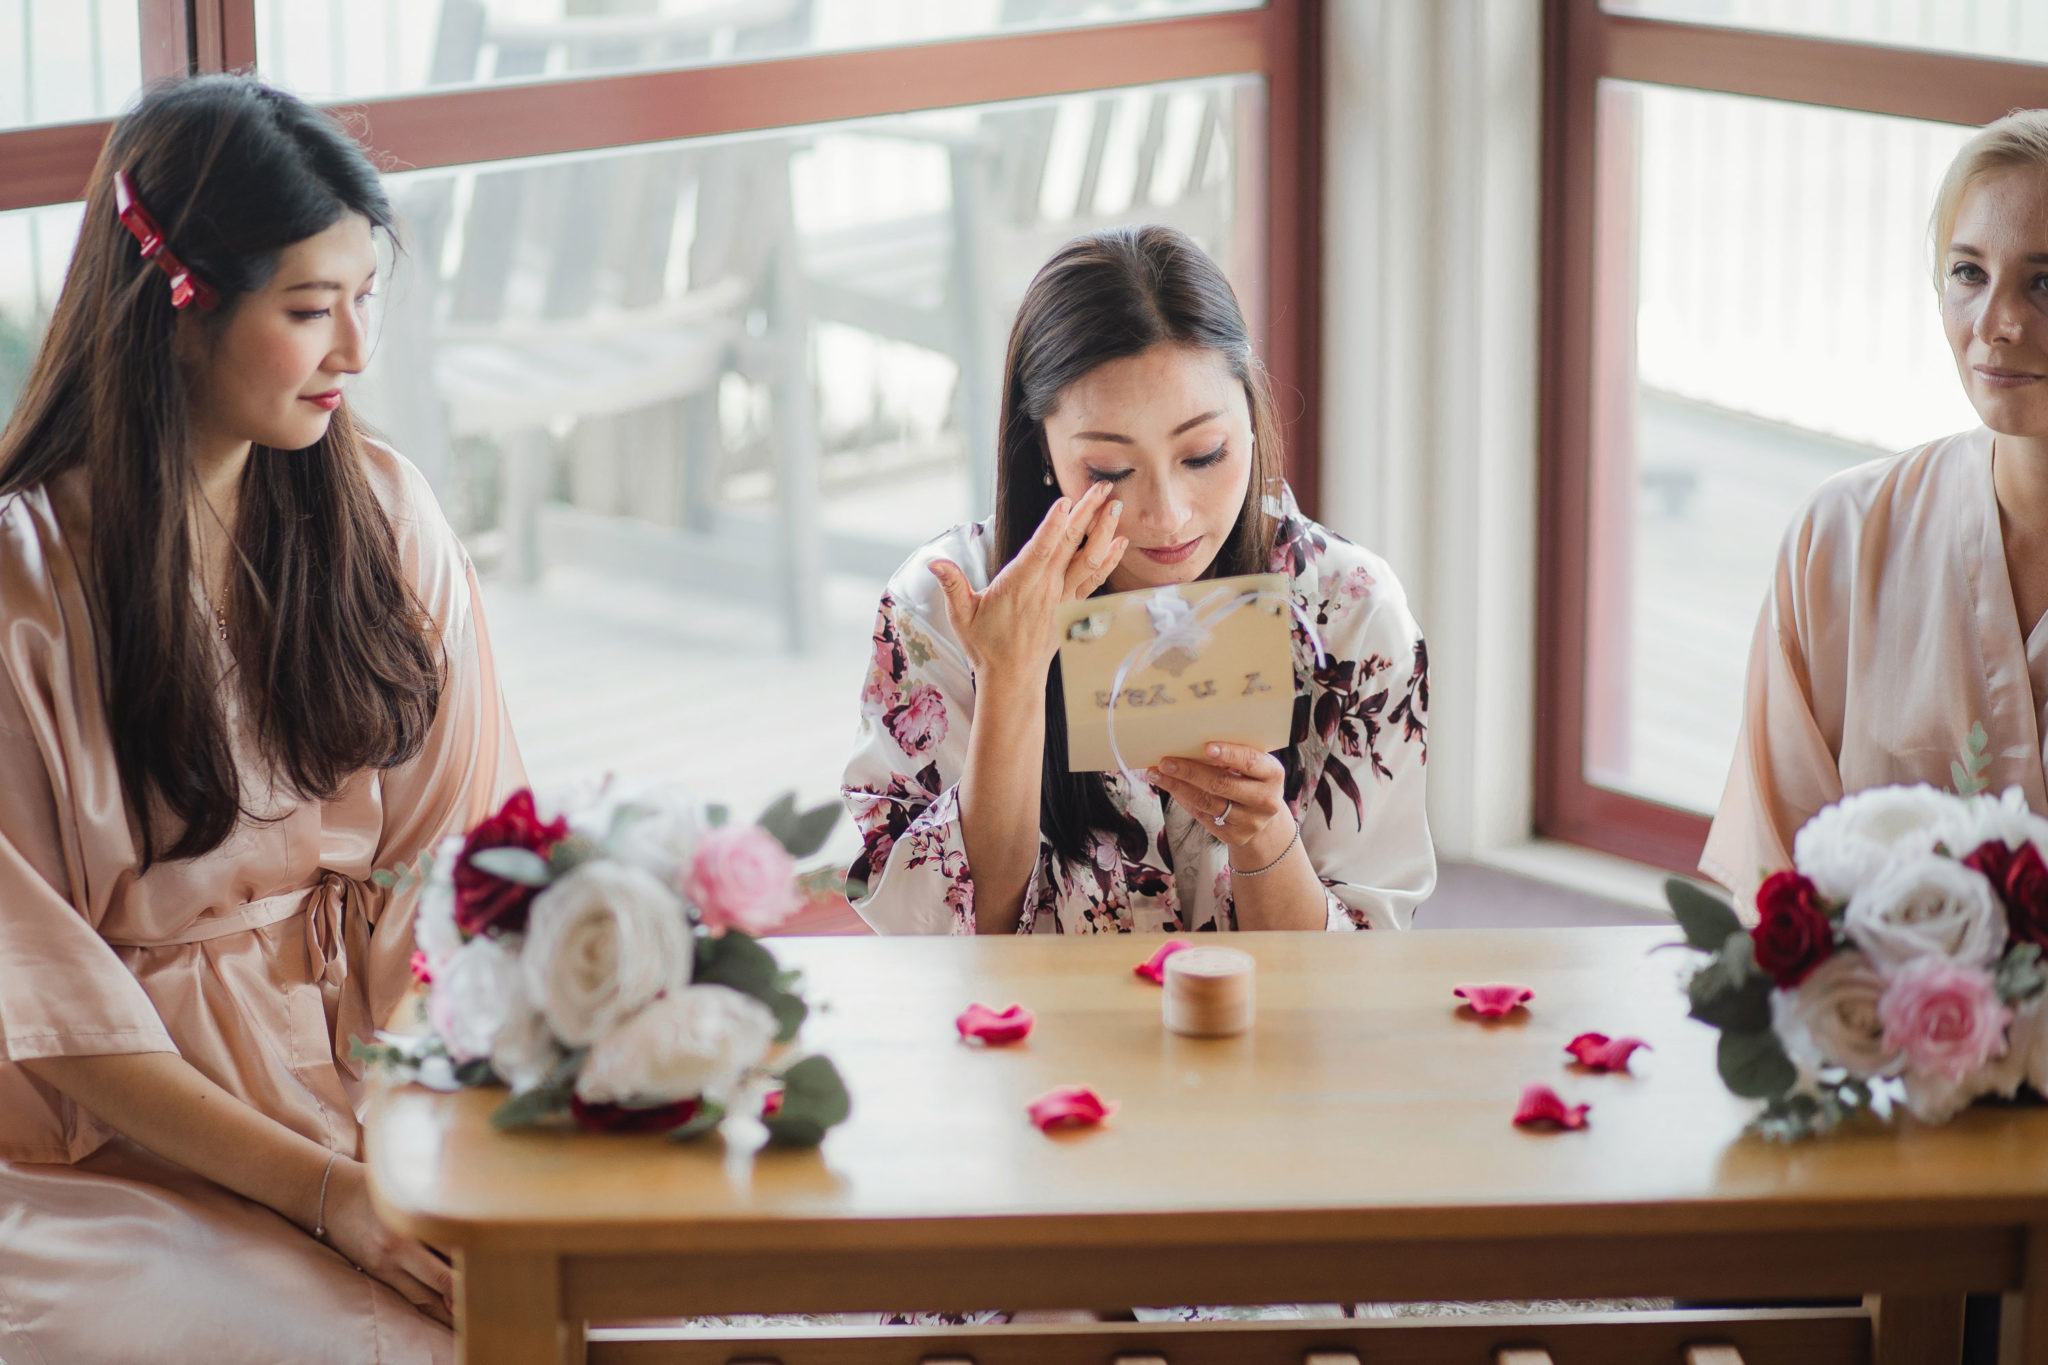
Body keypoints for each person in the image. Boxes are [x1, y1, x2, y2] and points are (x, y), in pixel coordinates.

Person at [0, 76, 522, 1363]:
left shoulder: (386, 515)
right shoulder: (22, 588)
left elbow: (462, 855)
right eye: (309, 309)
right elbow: (55, 1011)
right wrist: (331, 1197)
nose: (354, 350)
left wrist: (412, 1121)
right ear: (176, 304)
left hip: (381, 1073)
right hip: (129, 1148)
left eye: (364, 300)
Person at [844, 226, 1433, 935]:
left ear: (1250, 417)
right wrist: (1010, 681)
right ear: (1044, 453)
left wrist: (1265, 840)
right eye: (1110, 471)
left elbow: (1369, 964)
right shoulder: (945, 607)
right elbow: (934, 945)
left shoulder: (1352, 613)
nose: (1167, 514)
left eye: (1205, 453)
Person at [1705, 109, 2048, 906]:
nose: (1997, 325)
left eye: (2046, 281)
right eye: (1968, 272)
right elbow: (1772, 877)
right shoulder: (1840, 539)